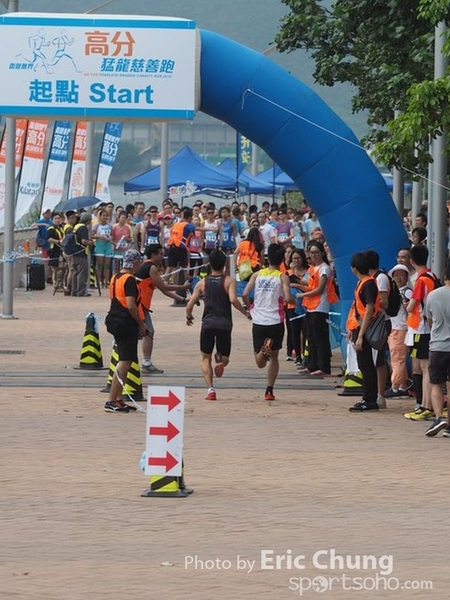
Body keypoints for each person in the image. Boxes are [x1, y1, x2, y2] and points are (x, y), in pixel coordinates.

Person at [186, 249, 251, 401]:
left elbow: (189, 305)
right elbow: (233, 299)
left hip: (207, 324)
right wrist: (245, 312)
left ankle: (210, 390)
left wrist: (189, 316)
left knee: (205, 357)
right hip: (224, 324)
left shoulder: (202, 283)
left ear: (209, 264)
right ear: (224, 265)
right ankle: (220, 359)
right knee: (225, 358)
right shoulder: (229, 281)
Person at [243, 243, 294, 401]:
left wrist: (250, 309)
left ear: (267, 258)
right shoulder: (282, 277)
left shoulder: (257, 275)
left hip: (259, 320)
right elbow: (287, 298)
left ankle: (264, 348)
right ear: (281, 260)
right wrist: (295, 301)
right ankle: (269, 390)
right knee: (274, 357)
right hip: (275, 321)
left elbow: (244, 294)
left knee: (260, 363)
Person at [104, 250, 149, 413]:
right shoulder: (129, 280)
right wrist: (141, 324)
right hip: (125, 322)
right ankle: (111, 400)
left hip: (115, 318)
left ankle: (118, 398)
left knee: (126, 360)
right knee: (125, 361)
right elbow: (131, 305)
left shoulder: (116, 277)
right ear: (135, 262)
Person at [136, 244, 191, 375]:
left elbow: (163, 290)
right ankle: (145, 363)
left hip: (141, 305)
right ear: (153, 255)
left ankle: (143, 362)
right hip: (139, 306)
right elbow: (164, 287)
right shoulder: (151, 268)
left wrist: (183, 299)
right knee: (148, 332)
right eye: (160, 254)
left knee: (145, 333)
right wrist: (183, 287)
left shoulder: (146, 266)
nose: (162, 257)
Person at [404, 244, 438, 421]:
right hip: (427, 326)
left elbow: (411, 306)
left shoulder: (420, 280)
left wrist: (407, 304)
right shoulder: (432, 276)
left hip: (421, 328)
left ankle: (426, 406)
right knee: (424, 368)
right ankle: (425, 404)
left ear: (411, 261)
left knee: (425, 369)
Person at [297, 240, 337, 376]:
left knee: (320, 337)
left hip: (320, 306)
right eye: (311, 253)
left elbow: (319, 289)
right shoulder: (312, 268)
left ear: (322, 253)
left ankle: (323, 366)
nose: (313, 255)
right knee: (311, 336)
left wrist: (302, 294)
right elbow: (309, 285)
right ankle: (312, 365)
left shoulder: (324, 269)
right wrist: (297, 284)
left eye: (316, 252)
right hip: (310, 306)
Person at [346, 252, 381, 412]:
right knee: (364, 364)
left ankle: (370, 400)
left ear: (354, 268)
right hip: (358, 327)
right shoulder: (363, 283)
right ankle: (368, 398)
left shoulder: (368, 284)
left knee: (366, 365)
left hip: (365, 328)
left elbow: (369, 310)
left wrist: (360, 336)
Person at [424, 260, 450, 437]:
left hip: (438, 346)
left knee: (436, 384)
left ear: (445, 275)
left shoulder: (433, 295)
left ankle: (439, 417)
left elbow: (429, 320)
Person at [384, 264, 413, 398]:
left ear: (407, 277)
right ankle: (403, 385)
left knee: (397, 359)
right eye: (396, 275)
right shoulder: (396, 291)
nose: (398, 278)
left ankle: (395, 387)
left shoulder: (407, 292)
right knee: (396, 358)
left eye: (401, 275)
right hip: (395, 327)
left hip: (401, 328)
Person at [166, 207, 196, 284]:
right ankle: (187, 284)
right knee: (184, 267)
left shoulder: (176, 224)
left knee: (170, 266)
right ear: (189, 218)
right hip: (181, 248)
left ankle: (164, 282)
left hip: (172, 246)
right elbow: (196, 229)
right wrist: (212, 230)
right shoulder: (188, 225)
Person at [72, 212, 94, 297]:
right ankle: (81, 291)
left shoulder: (76, 226)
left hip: (74, 251)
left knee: (75, 272)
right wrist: (90, 243)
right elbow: (83, 241)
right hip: (81, 252)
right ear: (88, 220)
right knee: (82, 272)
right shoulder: (83, 228)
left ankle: (74, 290)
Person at [92, 209, 113, 287]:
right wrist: (99, 236)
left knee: (107, 265)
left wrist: (110, 238)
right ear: (100, 216)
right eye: (103, 216)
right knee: (100, 265)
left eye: (106, 216)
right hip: (99, 246)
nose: (105, 217)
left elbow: (112, 235)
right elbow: (92, 235)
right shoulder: (96, 226)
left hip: (108, 246)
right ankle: (99, 281)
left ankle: (106, 281)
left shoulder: (110, 226)